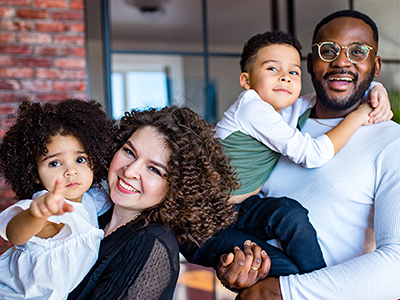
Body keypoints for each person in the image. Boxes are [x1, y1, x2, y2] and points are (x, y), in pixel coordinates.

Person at [217, 9, 400, 300]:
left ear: (375, 65)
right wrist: (238, 267)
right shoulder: (280, 118)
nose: (341, 61)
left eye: (357, 52)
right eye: (328, 51)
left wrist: (282, 292)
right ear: (311, 62)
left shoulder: (392, 142)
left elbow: (397, 265)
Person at [181, 30, 391, 277]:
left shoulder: (285, 111)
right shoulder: (251, 107)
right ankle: (321, 287)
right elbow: (313, 154)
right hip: (201, 224)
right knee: (285, 269)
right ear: (246, 81)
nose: (285, 78)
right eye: (272, 69)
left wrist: (374, 88)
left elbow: (334, 94)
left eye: (293, 72)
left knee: (291, 215)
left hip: (239, 211)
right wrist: (357, 117)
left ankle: (318, 282)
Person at [68, 106, 239, 300]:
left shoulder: (150, 243)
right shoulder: (92, 212)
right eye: (129, 152)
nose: (130, 171)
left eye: (154, 169)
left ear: (177, 188)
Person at [0, 99, 116, 300]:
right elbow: (15, 235)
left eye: (80, 160)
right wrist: (37, 215)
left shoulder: (94, 199)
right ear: (34, 173)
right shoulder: (45, 204)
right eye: (55, 163)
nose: (71, 171)